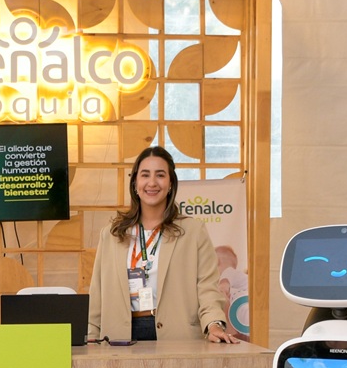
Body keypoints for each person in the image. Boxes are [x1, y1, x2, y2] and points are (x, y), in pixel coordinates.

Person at [86, 147, 236, 344]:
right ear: (135, 183)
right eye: (145, 175)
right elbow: (97, 294)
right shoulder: (111, 234)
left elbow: (207, 287)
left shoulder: (193, 231)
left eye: (160, 175)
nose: (152, 182)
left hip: (177, 337)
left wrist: (213, 324)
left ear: (170, 183)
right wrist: (91, 334)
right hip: (118, 337)